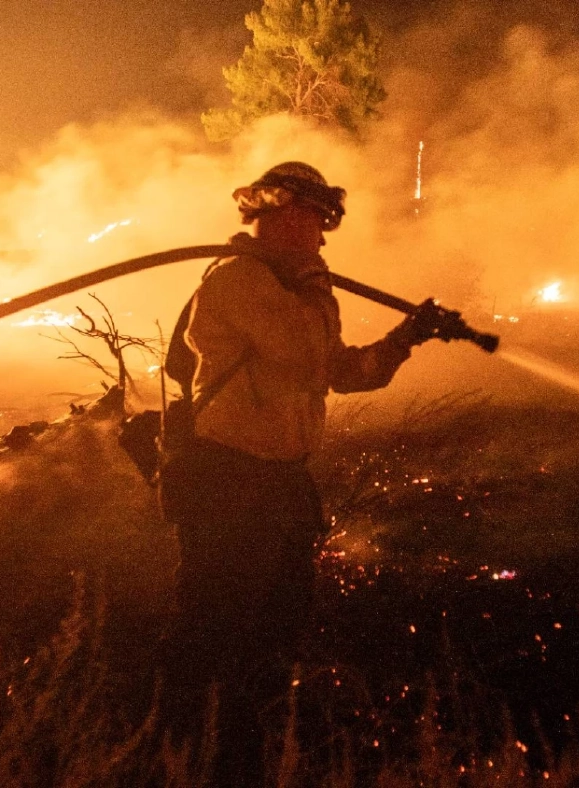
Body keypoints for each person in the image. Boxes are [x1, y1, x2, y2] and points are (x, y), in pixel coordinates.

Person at [157, 161, 445, 780]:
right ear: (278, 215)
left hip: (281, 486)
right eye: (310, 221)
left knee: (273, 630)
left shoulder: (293, 292)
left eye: (319, 223)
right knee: (214, 625)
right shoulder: (238, 280)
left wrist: (404, 338)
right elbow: (304, 351)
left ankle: (247, 750)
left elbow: (340, 372)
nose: (317, 237)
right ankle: (181, 753)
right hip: (229, 482)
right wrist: (316, 285)